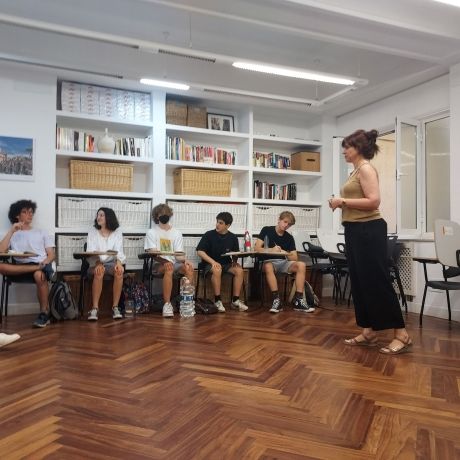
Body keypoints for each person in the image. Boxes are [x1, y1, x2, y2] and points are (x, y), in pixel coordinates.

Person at [329, 129, 412, 355]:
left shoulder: (365, 168)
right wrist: (342, 202)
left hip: (369, 230)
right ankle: (369, 331)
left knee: (377, 281)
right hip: (355, 229)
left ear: (359, 148)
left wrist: (342, 200)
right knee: (360, 281)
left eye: (347, 147)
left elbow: (374, 201)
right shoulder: (355, 170)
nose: (344, 151)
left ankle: (401, 334)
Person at [0, 200, 55, 328]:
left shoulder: (41, 232)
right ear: (17, 216)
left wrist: (44, 262)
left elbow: (51, 254)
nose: (29, 215)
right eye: (25, 212)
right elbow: (1, 251)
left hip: (40, 265)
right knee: (0, 266)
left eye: (31, 212)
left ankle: (44, 313)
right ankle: (36, 268)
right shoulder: (13, 233)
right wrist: (11, 231)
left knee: (39, 275)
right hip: (20, 267)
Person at [254, 211, 314, 314]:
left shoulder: (289, 237)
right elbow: (256, 248)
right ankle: (276, 300)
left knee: (301, 265)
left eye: (289, 224)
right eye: (285, 222)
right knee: (268, 266)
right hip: (267, 262)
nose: (286, 225)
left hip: (283, 262)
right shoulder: (266, 230)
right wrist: (271, 250)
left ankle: (298, 300)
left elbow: (294, 257)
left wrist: (285, 252)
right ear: (279, 220)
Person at [144, 203, 194, 317]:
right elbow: (153, 253)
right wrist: (165, 261)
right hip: (158, 264)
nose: (164, 216)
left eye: (167, 214)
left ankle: (186, 301)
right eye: (162, 214)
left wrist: (185, 260)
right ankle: (167, 305)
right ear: (157, 217)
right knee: (169, 267)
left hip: (174, 262)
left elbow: (179, 255)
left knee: (189, 269)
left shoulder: (176, 232)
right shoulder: (151, 232)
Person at [196, 212, 248, 312]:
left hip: (226, 263)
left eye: (220, 223)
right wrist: (213, 262)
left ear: (227, 225)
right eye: (217, 222)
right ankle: (217, 300)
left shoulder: (233, 237)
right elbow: (200, 251)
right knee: (217, 269)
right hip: (209, 264)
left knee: (239, 270)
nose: (217, 225)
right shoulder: (209, 235)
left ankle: (235, 300)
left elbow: (234, 253)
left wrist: (234, 260)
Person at [86, 207, 125, 321]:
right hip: (95, 263)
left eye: (102, 215)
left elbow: (119, 251)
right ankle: (94, 309)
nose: (99, 217)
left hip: (111, 263)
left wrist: (118, 263)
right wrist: (98, 263)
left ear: (109, 217)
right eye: (98, 215)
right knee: (99, 271)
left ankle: (115, 307)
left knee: (119, 272)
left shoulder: (117, 232)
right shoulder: (93, 232)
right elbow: (90, 252)